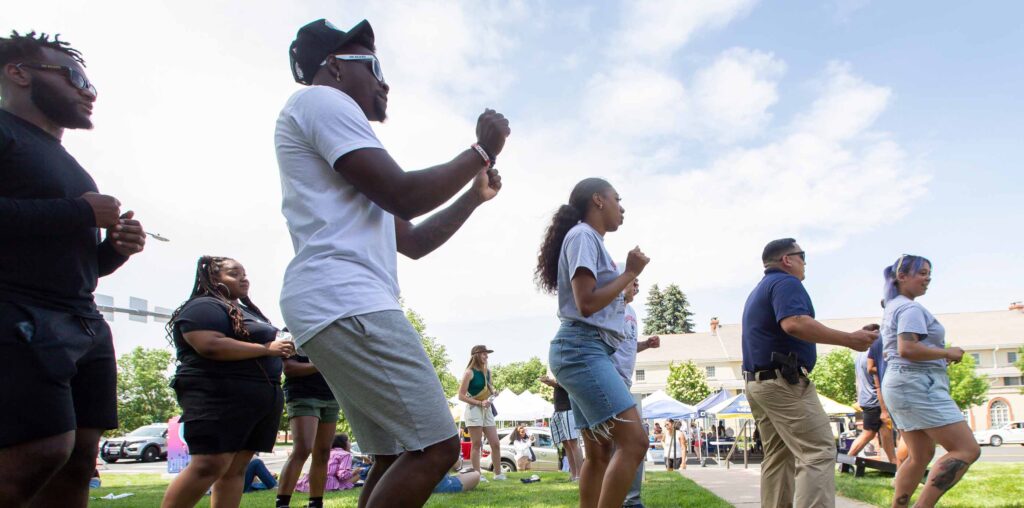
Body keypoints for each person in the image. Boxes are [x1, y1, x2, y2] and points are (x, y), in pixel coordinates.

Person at [275, 18, 509, 507]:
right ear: (335, 67)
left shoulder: (342, 140)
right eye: (375, 66)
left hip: (334, 305)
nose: (385, 82)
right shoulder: (322, 101)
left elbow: (415, 239)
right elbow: (404, 194)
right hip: (346, 299)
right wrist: (481, 149)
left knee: (391, 454)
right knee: (438, 447)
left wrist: (473, 197)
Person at [0, 30, 146, 507]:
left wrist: (114, 251)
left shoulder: (65, 160)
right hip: (19, 314)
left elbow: (71, 264)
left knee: (79, 461)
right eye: (75, 77)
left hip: (81, 320)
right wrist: (80, 213)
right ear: (18, 73)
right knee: (39, 451)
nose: (88, 91)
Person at [536, 177, 650, 507]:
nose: (622, 207)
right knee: (634, 442)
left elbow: (593, 306)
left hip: (582, 349)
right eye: (618, 199)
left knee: (599, 452)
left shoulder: (587, 239)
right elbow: (585, 303)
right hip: (581, 349)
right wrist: (629, 273)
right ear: (598, 200)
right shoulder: (584, 235)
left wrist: (622, 289)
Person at [741, 238, 877, 508]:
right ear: (786, 260)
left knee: (778, 457)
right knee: (818, 451)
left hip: (760, 385)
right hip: (784, 384)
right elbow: (794, 323)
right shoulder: (785, 282)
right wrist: (849, 339)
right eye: (802, 255)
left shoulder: (762, 288)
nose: (805, 262)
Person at [161, 257, 292, 508]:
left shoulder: (246, 311)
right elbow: (209, 345)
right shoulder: (203, 306)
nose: (244, 278)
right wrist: (266, 348)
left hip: (260, 398)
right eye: (234, 273)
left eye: (244, 273)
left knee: (235, 469)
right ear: (213, 279)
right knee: (209, 464)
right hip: (218, 396)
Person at [879, 255, 980, 508]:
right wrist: (947, 353)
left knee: (919, 456)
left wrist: (934, 358)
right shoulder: (910, 308)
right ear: (902, 277)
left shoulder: (895, 305)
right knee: (967, 449)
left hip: (902, 384)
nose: (928, 278)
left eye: (929, 273)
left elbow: (900, 349)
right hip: (916, 384)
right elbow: (908, 349)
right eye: (922, 273)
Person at [614, 277, 661, 507]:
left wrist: (646, 345)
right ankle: (630, 501)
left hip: (625, 382)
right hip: (610, 379)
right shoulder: (610, 307)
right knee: (634, 440)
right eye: (633, 281)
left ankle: (624, 499)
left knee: (624, 443)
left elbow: (629, 345)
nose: (637, 286)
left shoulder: (631, 311)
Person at [276, 349, 342, 508]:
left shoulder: (330, 334)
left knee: (324, 452)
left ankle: (316, 503)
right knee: (303, 449)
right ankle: (282, 504)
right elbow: (289, 368)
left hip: (331, 397)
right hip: (303, 395)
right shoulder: (293, 331)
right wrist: (323, 365)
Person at [458, 346, 505, 480]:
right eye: (484, 354)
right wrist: (479, 403)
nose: (487, 356)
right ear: (476, 355)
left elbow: (488, 389)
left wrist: (493, 394)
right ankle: (477, 475)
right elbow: (461, 396)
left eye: (487, 354)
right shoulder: (469, 372)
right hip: (474, 410)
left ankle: (498, 474)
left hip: (487, 409)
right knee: (476, 444)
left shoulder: (487, 372)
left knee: (495, 443)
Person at [846, 326, 890, 461]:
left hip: (866, 398)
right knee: (869, 433)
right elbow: (875, 375)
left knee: (885, 429)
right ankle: (846, 460)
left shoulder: (860, 355)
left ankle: (894, 462)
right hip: (874, 399)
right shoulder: (872, 354)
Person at [539, 374, 583, 481]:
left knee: (573, 443)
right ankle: (573, 475)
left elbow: (570, 385)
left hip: (568, 409)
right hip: (559, 410)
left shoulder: (570, 370)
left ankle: (580, 475)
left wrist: (553, 382)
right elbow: (559, 386)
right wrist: (550, 383)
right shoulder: (560, 370)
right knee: (566, 444)